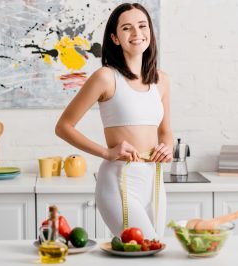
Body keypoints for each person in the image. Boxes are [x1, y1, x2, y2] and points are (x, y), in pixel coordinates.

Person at [55, 3, 173, 240]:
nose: (137, 33)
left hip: (154, 181)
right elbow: (63, 127)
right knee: (143, 248)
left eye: (142, 26)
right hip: (120, 182)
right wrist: (107, 153)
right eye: (127, 28)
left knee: (153, 251)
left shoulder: (161, 80)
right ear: (115, 38)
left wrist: (167, 147)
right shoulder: (106, 77)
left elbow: (165, 131)